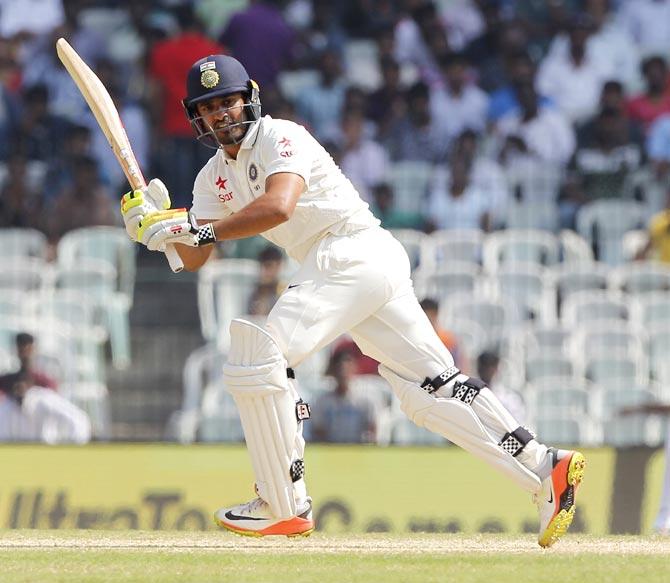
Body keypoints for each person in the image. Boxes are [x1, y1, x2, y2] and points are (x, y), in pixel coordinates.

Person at [121, 54, 585, 546]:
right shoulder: (213, 175)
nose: (221, 114)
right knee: (429, 389)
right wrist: (155, 229)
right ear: (197, 117)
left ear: (249, 98)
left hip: (349, 250)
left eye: (228, 102)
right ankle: (544, 467)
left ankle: (282, 503)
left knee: (259, 354)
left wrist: (188, 225)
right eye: (209, 107)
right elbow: (199, 256)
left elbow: (278, 206)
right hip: (353, 266)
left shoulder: (282, 136)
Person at [310, 347, 377, 444]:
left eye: (348, 364)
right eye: (339, 365)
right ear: (333, 369)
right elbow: (318, 433)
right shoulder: (322, 402)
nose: (343, 370)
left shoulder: (366, 399)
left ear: (354, 367)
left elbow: (372, 432)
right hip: (330, 453)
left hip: (359, 452)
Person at [0, 373, 91, 444]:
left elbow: (78, 421)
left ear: (29, 385)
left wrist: (71, 449)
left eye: (22, 385)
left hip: (47, 454)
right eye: (16, 387)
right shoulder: (7, 405)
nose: (19, 390)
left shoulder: (45, 401)